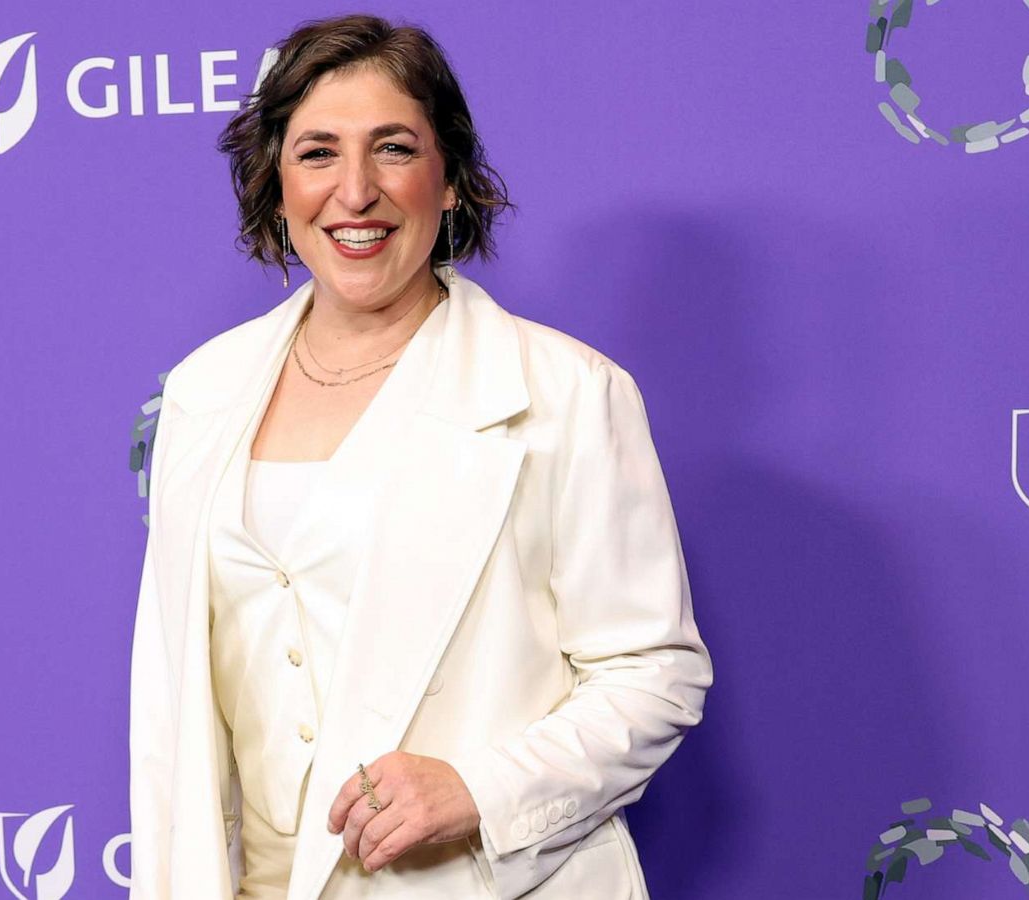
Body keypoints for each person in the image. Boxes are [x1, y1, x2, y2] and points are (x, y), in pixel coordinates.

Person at [128, 13, 710, 899]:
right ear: (274, 185)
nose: (354, 192)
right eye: (318, 152)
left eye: (393, 148)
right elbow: (175, 709)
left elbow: (653, 675)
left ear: (449, 181)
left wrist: (483, 791)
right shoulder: (206, 390)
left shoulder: (567, 392)